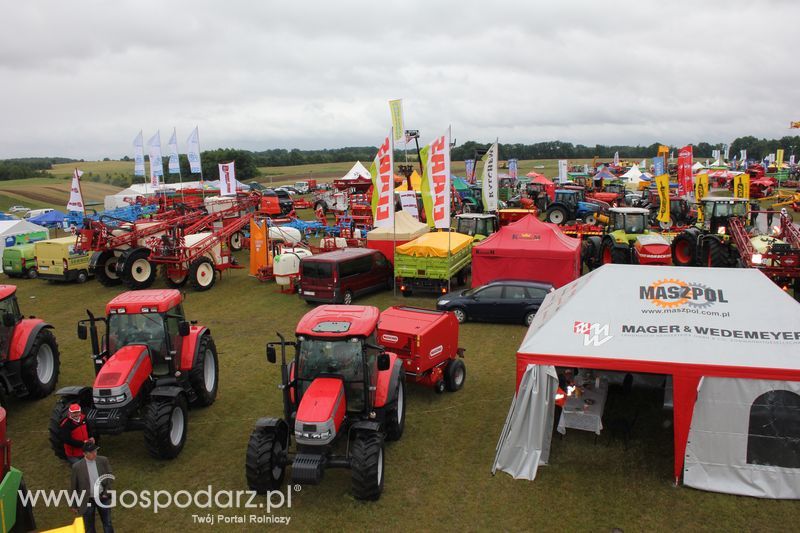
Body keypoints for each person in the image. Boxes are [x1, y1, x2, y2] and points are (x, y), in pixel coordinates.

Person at [71, 442, 114, 533]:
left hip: (102, 497)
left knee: (107, 523)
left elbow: (109, 476)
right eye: (91, 452)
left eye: (95, 451)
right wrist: (74, 504)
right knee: (89, 526)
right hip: (87, 500)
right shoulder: (77, 467)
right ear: (84, 454)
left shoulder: (103, 460)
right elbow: (74, 486)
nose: (94, 454)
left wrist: (106, 492)